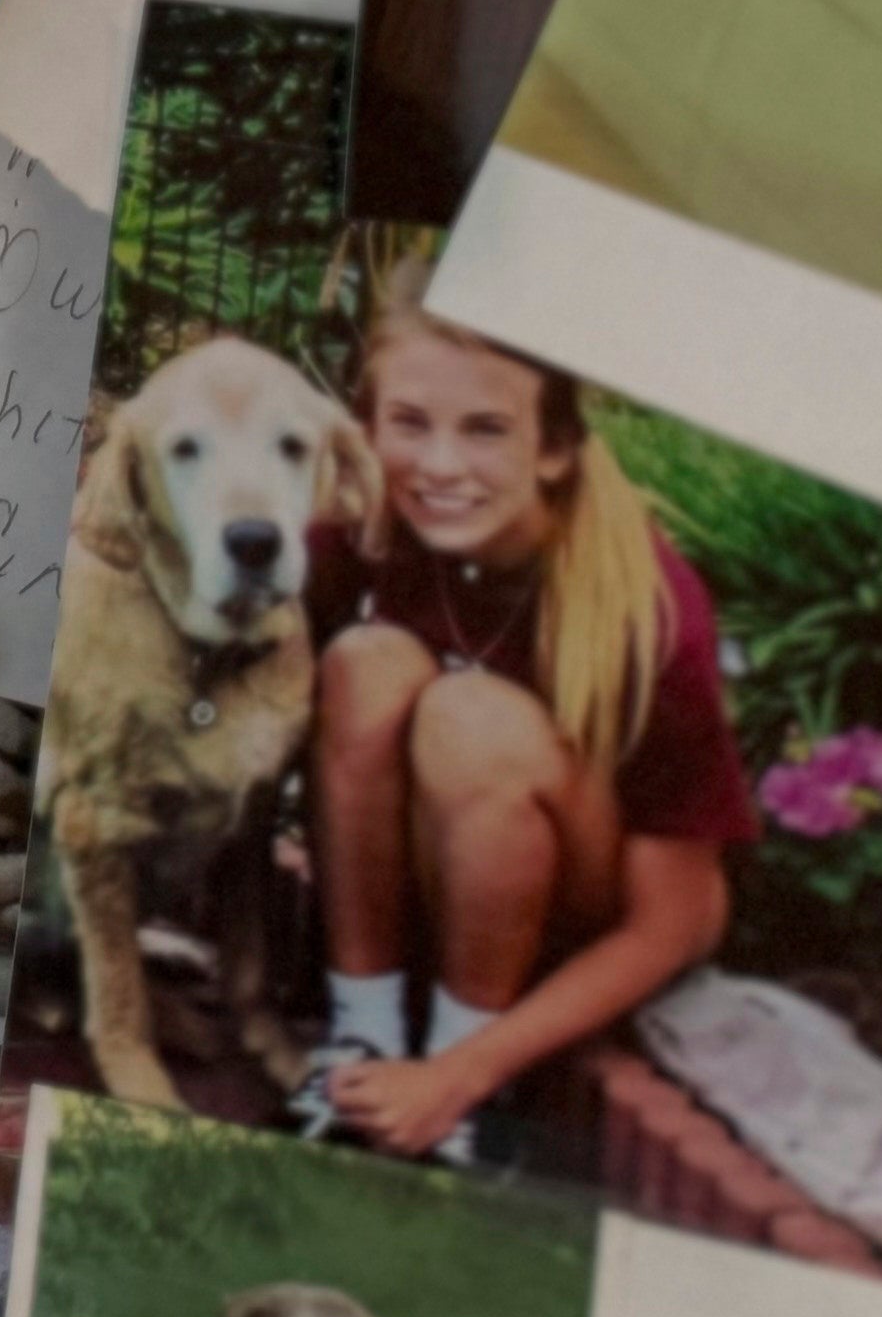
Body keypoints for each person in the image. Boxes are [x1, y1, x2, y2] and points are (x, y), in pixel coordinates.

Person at [298, 260, 749, 1164]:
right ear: (368, 425)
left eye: (487, 430)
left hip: (590, 916)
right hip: (439, 880)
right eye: (410, 424)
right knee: (363, 662)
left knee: (472, 719)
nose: (440, 465)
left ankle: (466, 1090)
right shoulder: (366, 520)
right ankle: (363, 1038)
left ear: (554, 446)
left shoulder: (650, 611)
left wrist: (461, 1071)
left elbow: (675, 919)